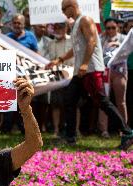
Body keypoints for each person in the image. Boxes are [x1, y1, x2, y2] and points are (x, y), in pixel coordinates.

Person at [46, 0, 133, 150]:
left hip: (91, 70)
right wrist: (59, 60)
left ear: (71, 7)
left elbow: (92, 41)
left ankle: (128, 132)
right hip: (81, 71)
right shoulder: (75, 24)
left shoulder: (85, 20)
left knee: (102, 101)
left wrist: (85, 64)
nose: (63, 13)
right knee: (69, 100)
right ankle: (70, 137)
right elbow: (76, 48)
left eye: (64, 9)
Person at [99, 18, 127, 138]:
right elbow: (96, 50)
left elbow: (128, 50)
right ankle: (104, 130)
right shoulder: (102, 38)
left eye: (113, 28)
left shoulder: (123, 38)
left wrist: (118, 45)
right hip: (105, 72)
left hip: (119, 72)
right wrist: (104, 40)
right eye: (108, 28)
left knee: (121, 102)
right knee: (104, 101)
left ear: (118, 28)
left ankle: (124, 130)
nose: (110, 30)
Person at [48, 23, 74, 137]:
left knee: (73, 104)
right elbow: (51, 59)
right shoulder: (51, 43)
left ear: (66, 28)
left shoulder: (72, 41)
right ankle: (56, 130)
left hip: (70, 76)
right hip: (57, 76)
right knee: (56, 104)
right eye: (56, 27)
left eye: (60, 27)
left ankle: (74, 130)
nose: (58, 29)